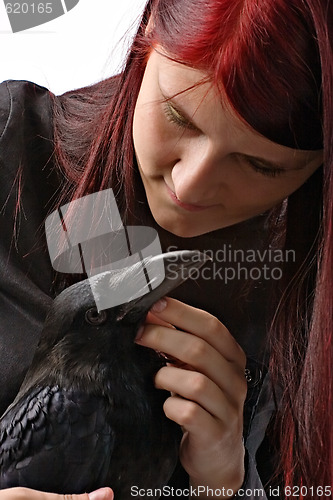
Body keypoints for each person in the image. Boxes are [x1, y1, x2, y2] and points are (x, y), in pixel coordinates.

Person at [0, 0, 331, 498]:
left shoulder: (306, 299)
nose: (189, 186)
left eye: (261, 166)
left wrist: (223, 485)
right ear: (148, 25)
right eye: (180, 115)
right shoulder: (12, 148)